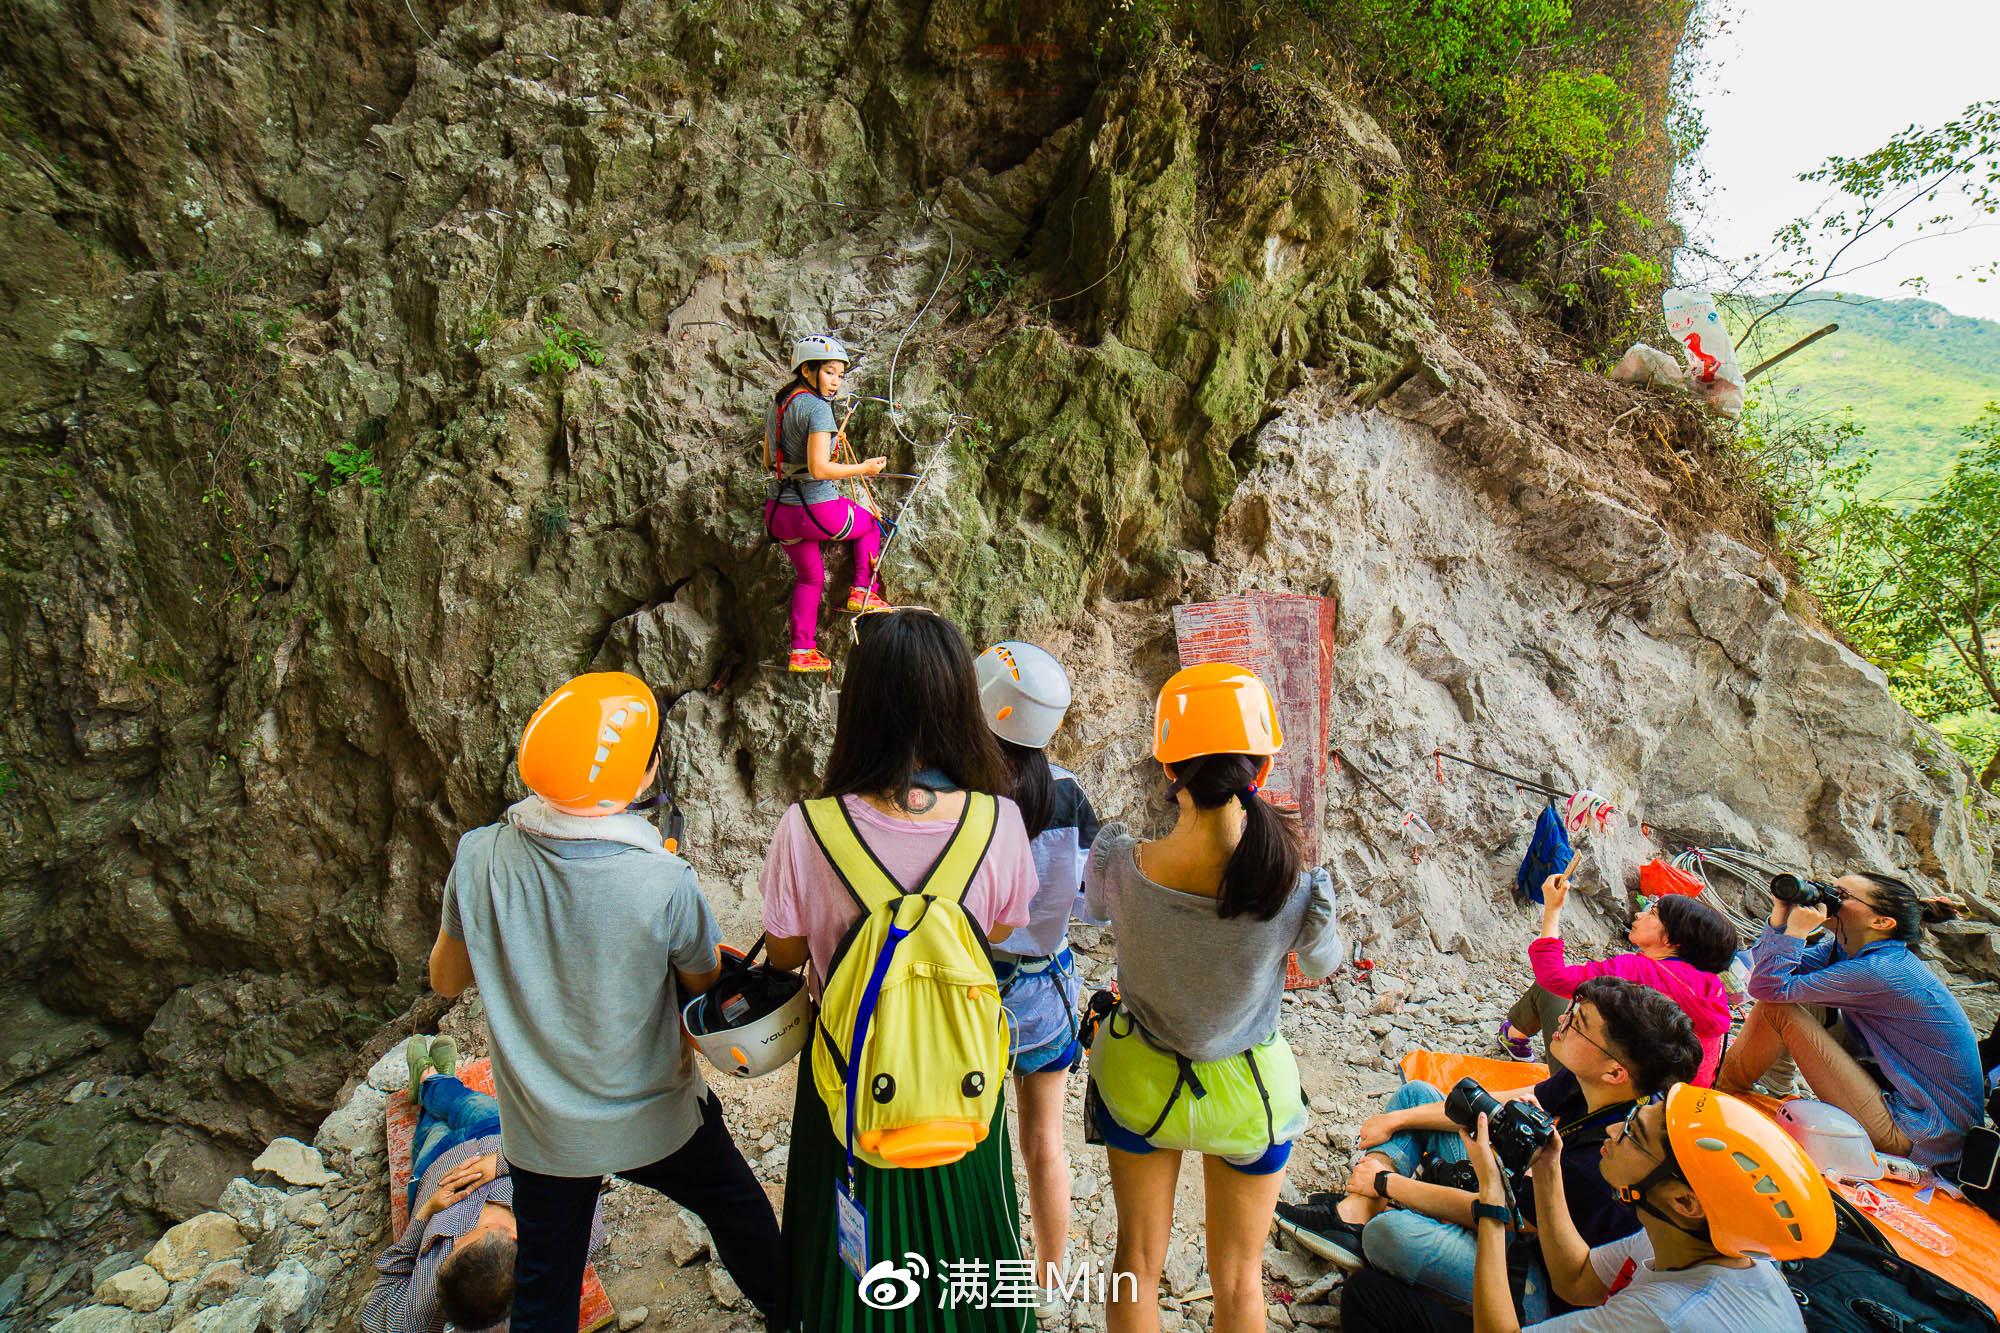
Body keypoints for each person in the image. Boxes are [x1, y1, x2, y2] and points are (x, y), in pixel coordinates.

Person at [428, 672, 782, 1331]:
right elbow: (703, 986)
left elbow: (447, 979)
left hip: (545, 1132)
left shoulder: (477, 857)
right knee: (737, 1207)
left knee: (546, 1288)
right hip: (654, 1117)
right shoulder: (665, 880)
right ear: (643, 778)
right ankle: (794, 1314)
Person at [759, 609, 1040, 1331]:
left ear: (859, 707)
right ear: (958, 703)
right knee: (970, 1256)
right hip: (961, 1080)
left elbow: (787, 956)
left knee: (848, 1266)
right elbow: (997, 931)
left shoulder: (806, 827)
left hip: (850, 1082)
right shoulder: (998, 821)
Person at [1084, 663, 1343, 1333]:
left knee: (1135, 1260)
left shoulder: (1120, 862)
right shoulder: (1298, 885)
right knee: (1238, 1278)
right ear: (1260, 764)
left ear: (1170, 765)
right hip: (1251, 1098)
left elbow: (1090, 913)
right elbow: (1323, 961)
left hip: (1141, 1087)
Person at [1278, 978, 1700, 1321]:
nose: (1563, 1021)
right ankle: (1355, 1213)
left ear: (1615, 1071)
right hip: (1509, 1201)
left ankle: (1369, 1216)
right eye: (1572, 1011)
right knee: (1418, 1096)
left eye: (1580, 1022)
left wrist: (1388, 1183)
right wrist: (1397, 1120)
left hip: (1530, 1277)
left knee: (1394, 1236)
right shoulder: (1587, 1082)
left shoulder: (1608, 1159)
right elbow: (1497, 1110)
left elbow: (1496, 1215)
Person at [1365, 1082, 1828, 1332]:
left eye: (1633, 1136)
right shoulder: (1700, 1239)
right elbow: (1580, 1278)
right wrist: (1548, 1170)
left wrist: (1492, 1199)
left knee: (1371, 1297)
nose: (1611, 1133)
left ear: (1686, 1200)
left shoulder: (1668, 1316)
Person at [974, 640, 1104, 1301]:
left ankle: (993, 1262)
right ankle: (1052, 1274)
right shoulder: (1071, 795)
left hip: (976, 995)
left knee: (984, 1139)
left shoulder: (964, 799)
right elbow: (1089, 902)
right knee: (1044, 1141)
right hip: (1047, 989)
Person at [1717, 870, 1983, 1170]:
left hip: (1918, 1132)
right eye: (1831, 889)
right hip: (1896, 1090)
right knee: (1797, 999)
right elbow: (1764, 970)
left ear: (1881, 923)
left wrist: (1794, 933)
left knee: (1778, 1009)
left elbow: (1768, 988)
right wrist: (1780, 917)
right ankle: (1772, 1088)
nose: (1829, 899)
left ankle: (1719, 1091)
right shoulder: (1848, 949)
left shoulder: (1882, 971)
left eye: (1842, 896)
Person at [362, 1038, 604, 1332]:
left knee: (433, 1122)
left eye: (448, 1250)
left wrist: (425, 1213)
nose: (453, 1239)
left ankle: (428, 1079)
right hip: (495, 1137)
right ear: (514, 1236)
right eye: (463, 1241)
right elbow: (575, 1159)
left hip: (435, 1161)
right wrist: (502, 1162)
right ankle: (435, 1081)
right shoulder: (571, 1235)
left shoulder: (421, 1310)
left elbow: (376, 1311)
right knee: (464, 1102)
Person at [1497, 873, 1734, 1086]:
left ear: (1672, 942)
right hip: (1669, 1110)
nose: (1640, 914)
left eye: (1653, 913)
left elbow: (1553, 976)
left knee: (1551, 989)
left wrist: (1552, 909)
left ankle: (1515, 1039)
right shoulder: (1713, 988)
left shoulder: (1637, 971)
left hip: (1603, 1100)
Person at [763, 333, 890, 673]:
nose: (835, 382)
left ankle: (802, 650)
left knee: (810, 578)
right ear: (808, 370)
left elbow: (767, 460)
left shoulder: (779, 403)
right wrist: (864, 468)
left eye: (839, 375)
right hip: (815, 512)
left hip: (778, 513)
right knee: (872, 523)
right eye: (829, 372)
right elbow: (820, 469)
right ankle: (864, 589)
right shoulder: (818, 409)